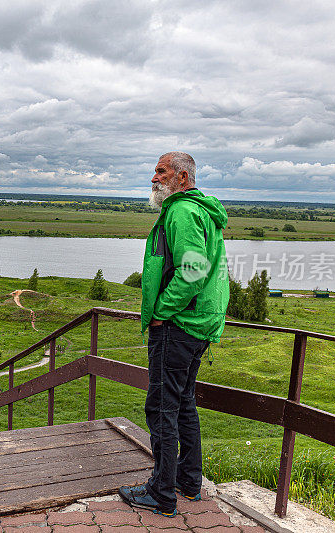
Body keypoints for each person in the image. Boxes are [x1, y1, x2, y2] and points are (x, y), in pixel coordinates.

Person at [119, 152, 229, 517]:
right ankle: (188, 482)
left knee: (162, 407)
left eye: (161, 172)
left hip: (178, 325)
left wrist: (160, 313)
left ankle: (161, 493)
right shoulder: (202, 210)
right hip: (200, 324)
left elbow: (194, 271)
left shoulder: (181, 211)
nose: (154, 178)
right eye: (154, 171)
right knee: (183, 404)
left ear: (182, 177)